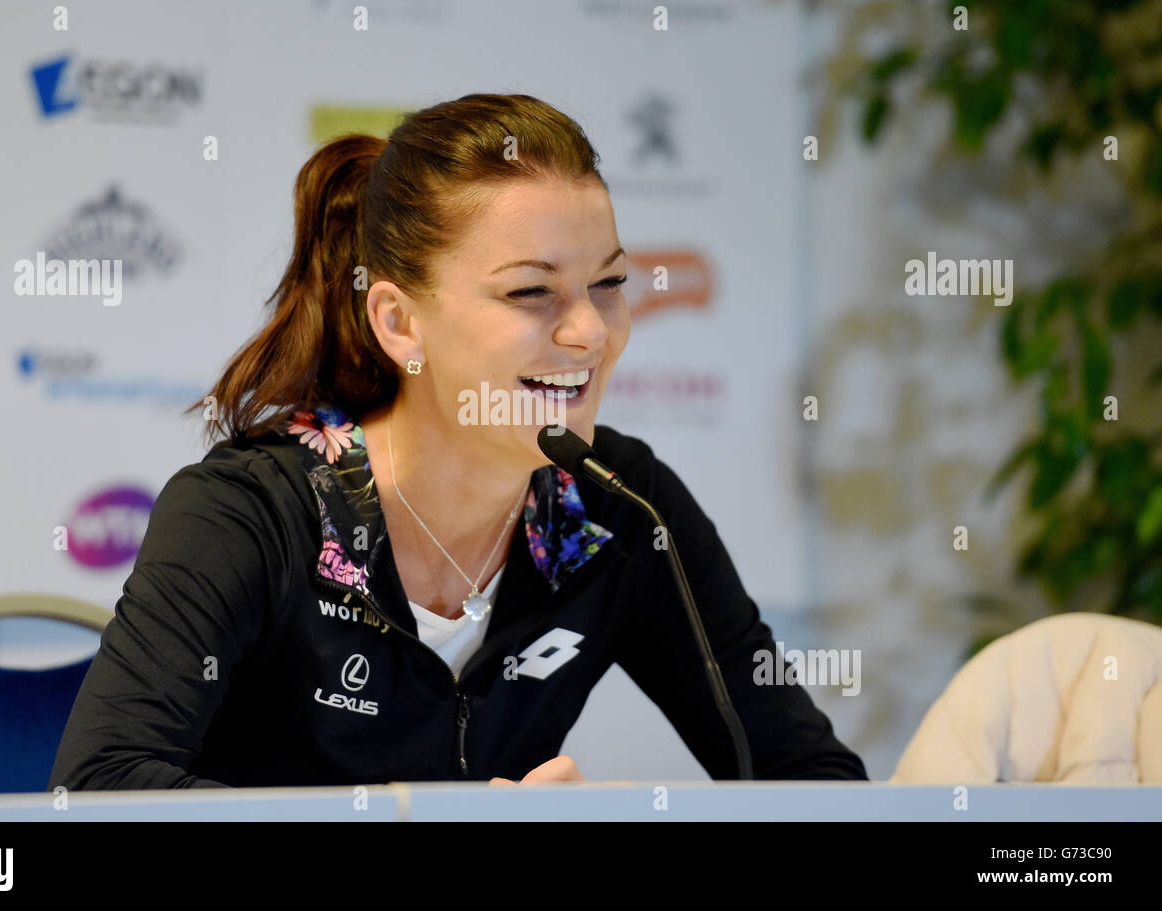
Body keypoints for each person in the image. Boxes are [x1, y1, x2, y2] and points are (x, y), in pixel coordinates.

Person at [49, 93, 867, 790]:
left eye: (609, 284)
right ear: (401, 322)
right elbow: (100, 788)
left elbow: (812, 786)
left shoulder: (621, 506)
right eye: (531, 291)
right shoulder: (252, 512)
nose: (590, 332)